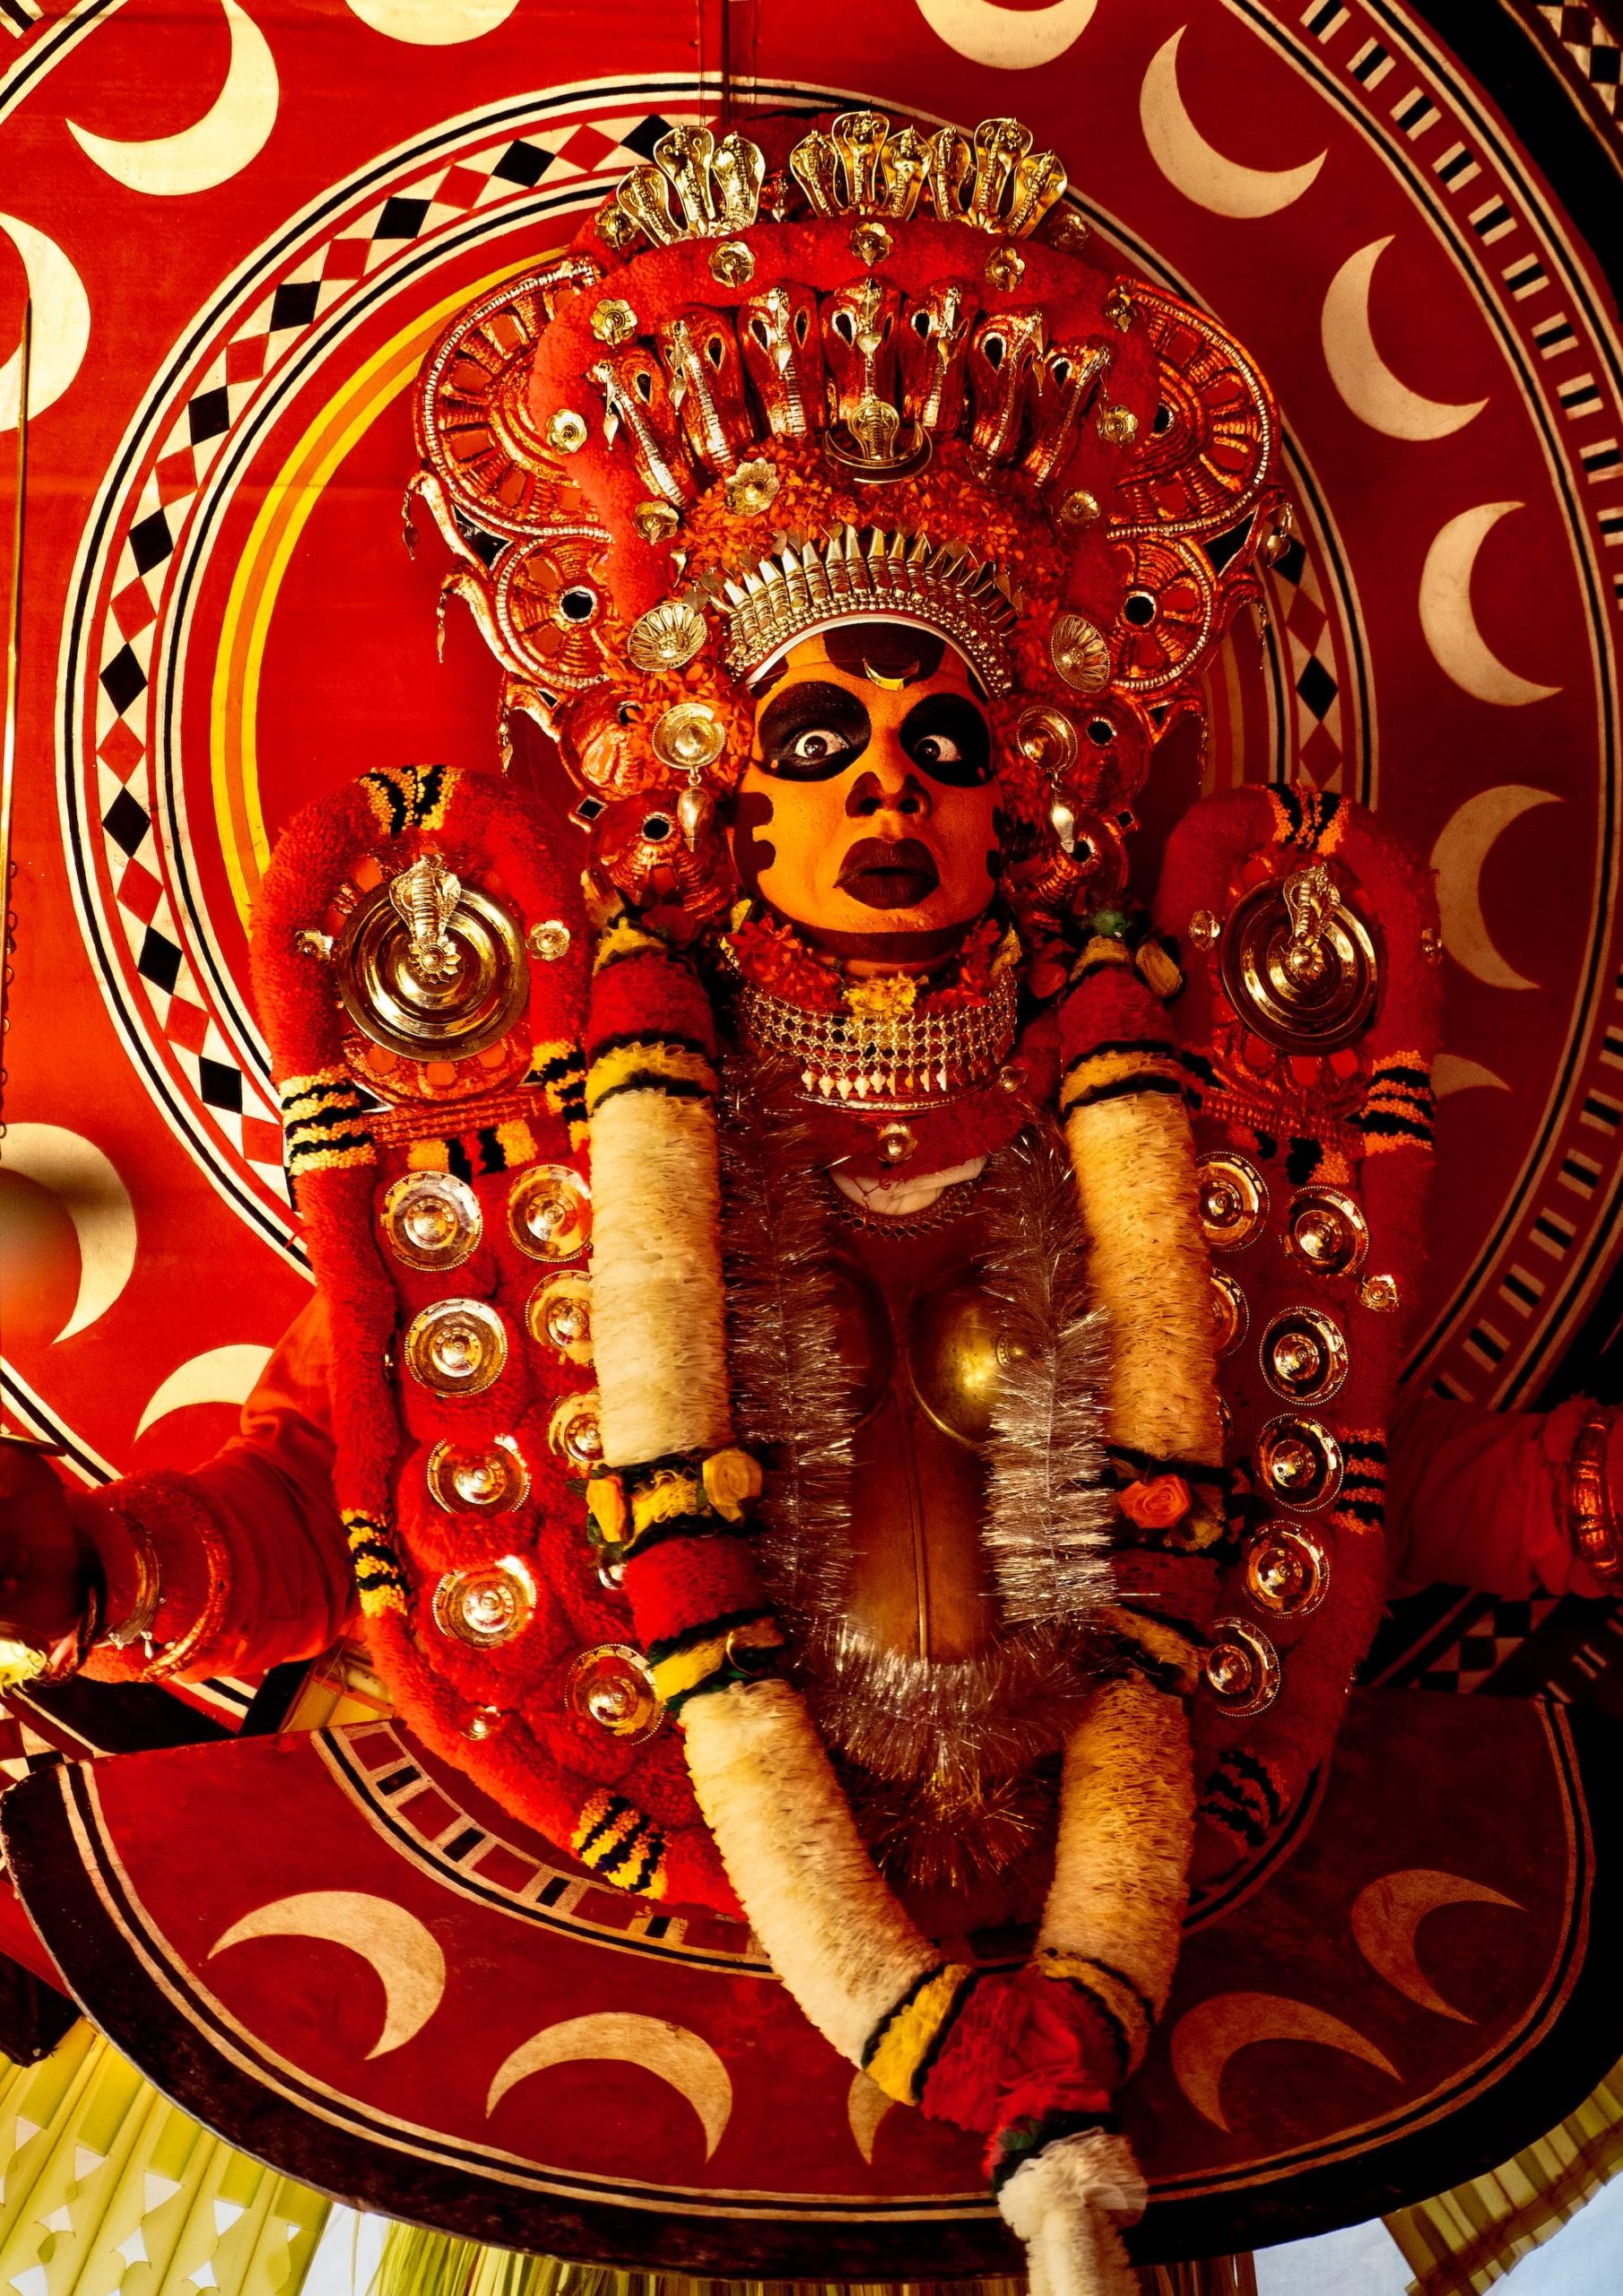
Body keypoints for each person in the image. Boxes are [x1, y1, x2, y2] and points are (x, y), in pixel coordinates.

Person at [3, 108, 1619, 2295]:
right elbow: (335, 1512)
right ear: (708, 801)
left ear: (1029, 801)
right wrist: (94, 1570)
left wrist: (1571, 1504)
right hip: (625, 1951)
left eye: (939, 745)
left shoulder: (1175, 1128)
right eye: (814, 740)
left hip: (1139, 1928)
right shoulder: (556, 1156)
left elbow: (1345, 1489)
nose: (878, 781)